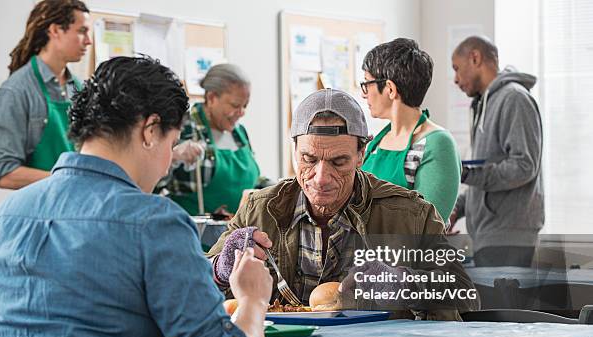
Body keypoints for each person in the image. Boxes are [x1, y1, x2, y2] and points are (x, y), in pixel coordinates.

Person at [0, 56, 272, 337]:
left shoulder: (2, 218)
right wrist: (253, 300)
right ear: (150, 131)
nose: (168, 163)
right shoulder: (154, 222)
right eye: (171, 143)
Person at [208, 89, 480, 321]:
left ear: (362, 154)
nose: (321, 178)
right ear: (293, 151)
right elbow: (196, 287)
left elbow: (466, 300)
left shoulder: (410, 215)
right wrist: (221, 268)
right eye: (308, 159)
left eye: (338, 162)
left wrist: (403, 284)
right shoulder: (258, 209)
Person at [449, 36, 544, 267]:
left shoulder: (514, 99)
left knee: (500, 304)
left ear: (475, 58)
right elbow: (489, 169)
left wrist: (466, 174)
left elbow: (523, 166)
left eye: (457, 69)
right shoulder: (486, 103)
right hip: (490, 234)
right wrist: (458, 208)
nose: (455, 79)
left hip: (508, 236)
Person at [0, 0, 92, 189]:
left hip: (75, 203)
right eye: (82, 31)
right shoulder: (17, 90)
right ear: (55, 31)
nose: (88, 40)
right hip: (40, 209)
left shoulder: (79, 88)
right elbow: (6, 174)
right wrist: (68, 179)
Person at [360, 38, 461, 224]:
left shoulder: (437, 144)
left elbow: (426, 226)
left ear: (390, 88)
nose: (363, 93)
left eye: (367, 83)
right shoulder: (375, 143)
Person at [156, 63, 267, 215]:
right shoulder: (183, 128)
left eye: (245, 106)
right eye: (235, 105)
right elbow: (153, 186)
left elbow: (252, 181)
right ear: (211, 97)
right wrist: (173, 157)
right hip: (195, 234)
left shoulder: (239, 133)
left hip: (237, 235)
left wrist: (278, 189)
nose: (241, 113)